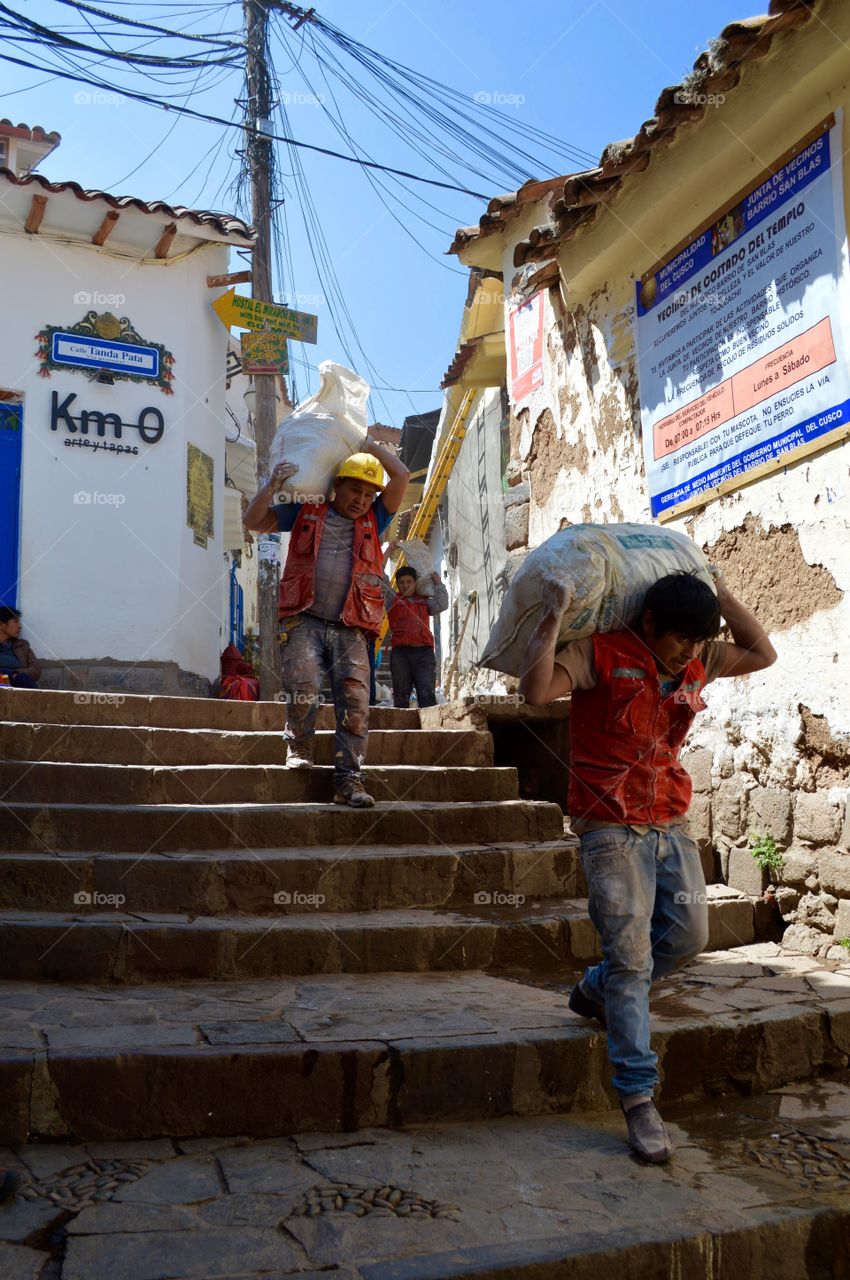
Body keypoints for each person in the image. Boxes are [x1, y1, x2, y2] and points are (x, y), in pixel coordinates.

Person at [519, 569, 776, 1164]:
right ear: (650, 623)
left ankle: (594, 988)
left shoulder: (696, 661)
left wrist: (722, 591)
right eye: (681, 638)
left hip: (668, 821)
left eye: (699, 639)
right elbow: (535, 692)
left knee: (689, 937)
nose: (691, 650)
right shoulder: (599, 654)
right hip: (608, 826)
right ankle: (638, 1098)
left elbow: (762, 652)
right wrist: (553, 615)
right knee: (632, 959)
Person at [244, 438, 409, 807]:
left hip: (352, 624)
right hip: (304, 617)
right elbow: (252, 521)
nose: (362, 500)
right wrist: (272, 485)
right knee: (303, 681)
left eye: (369, 494)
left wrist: (367, 445)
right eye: (355, 490)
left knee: (356, 702)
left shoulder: (376, 517)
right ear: (336, 486)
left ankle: (349, 780)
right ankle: (299, 741)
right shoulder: (306, 510)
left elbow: (401, 474)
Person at [383, 554, 448, 709]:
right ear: (397, 585)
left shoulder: (425, 602)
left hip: (424, 654)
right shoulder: (392, 600)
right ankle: (402, 732)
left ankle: (429, 732)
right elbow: (380, 577)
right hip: (401, 655)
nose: (405, 585)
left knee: (427, 695)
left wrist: (436, 579)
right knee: (401, 697)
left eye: (409, 582)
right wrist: (389, 551)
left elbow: (443, 603)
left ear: (415, 583)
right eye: (401, 582)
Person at [0, 606, 41, 687]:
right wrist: (9, 675)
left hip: (18, 683)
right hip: (2, 682)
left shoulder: (23, 646)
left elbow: (36, 670)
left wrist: (15, 674)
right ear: (1, 625)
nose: (20, 626)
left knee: (22, 679)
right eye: (16, 622)